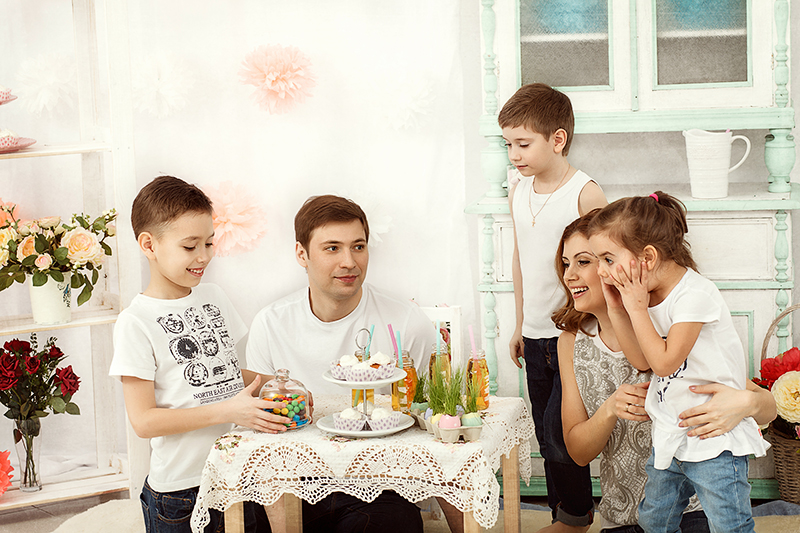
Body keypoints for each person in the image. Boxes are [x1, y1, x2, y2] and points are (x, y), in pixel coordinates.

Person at [554, 212, 777, 532]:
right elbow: (578, 452)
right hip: (624, 516)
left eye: (587, 261)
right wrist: (610, 408)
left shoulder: (672, 319)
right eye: (566, 263)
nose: (570, 275)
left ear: (641, 261)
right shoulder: (572, 343)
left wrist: (746, 403)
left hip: (695, 507)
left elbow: (768, 407)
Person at [246, 194, 438, 533]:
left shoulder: (407, 321)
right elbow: (263, 426)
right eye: (332, 248)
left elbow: (431, 419)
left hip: (378, 485)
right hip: (294, 482)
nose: (349, 262)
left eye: (358, 247)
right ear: (302, 254)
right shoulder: (271, 323)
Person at [109, 175, 285, 533]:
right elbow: (144, 421)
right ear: (149, 244)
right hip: (181, 493)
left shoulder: (214, 297)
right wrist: (228, 410)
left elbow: (227, 373)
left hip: (237, 475)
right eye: (190, 247)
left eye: (209, 243)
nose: (203, 256)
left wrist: (278, 384)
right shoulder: (135, 322)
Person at [500, 82, 608, 532]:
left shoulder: (585, 193)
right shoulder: (518, 190)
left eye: (523, 144)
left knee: (564, 433)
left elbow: (603, 267)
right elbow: (520, 260)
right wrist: (519, 324)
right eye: (508, 144)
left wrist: (588, 327)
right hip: (534, 334)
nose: (514, 154)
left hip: (572, 336)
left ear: (557, 139)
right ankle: (562, 514)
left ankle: (576, 517)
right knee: (546, 437)